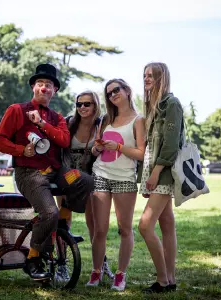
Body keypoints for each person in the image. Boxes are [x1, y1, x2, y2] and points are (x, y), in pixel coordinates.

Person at [0, 63, 94, 281]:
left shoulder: (57, 118)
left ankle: (63, 228)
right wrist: (21, 150)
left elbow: (64, 140)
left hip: (57, 172)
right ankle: (33, 258)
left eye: (48, 85)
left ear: (54, 90)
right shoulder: (16, 110)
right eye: (40, 84)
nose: (44, 88)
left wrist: (43, 125)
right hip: (29, 173)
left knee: (84, 180)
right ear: (33, 87)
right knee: (49, 212)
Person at [86, 79, 146, 291]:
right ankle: (96, 271)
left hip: (125, 178)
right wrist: (97, 149)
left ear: (127, 91)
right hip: (101, 174)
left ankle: (120, 275)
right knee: (100, 229)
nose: (113, 95)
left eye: (116, 90)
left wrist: (119, 146)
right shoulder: (106, 119)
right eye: (109, 93)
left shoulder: (139, 120)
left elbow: (141, 153)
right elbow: (95, 149)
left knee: (124, 229)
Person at [138, 62, 183, 293]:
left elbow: (171, 144)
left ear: (161, 78)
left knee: (145, 225)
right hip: (155, 171)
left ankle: (163, 280)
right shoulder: (152, 105)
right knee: (166, 224)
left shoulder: (171, 104)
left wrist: (154, 174)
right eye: (144, 75)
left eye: (151, 75)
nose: (146, 79)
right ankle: (171, 279)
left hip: (164, 172)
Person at [60, 90, 114, 280]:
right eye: (79, 104)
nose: (82, 107)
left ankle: (101, 265)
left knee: (95, 225)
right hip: (68, 176)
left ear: (95, 105)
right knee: (63, 220)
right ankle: (61, 265)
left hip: (91, 177)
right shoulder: (68, 123)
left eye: (87, 104)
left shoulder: (102, 124)